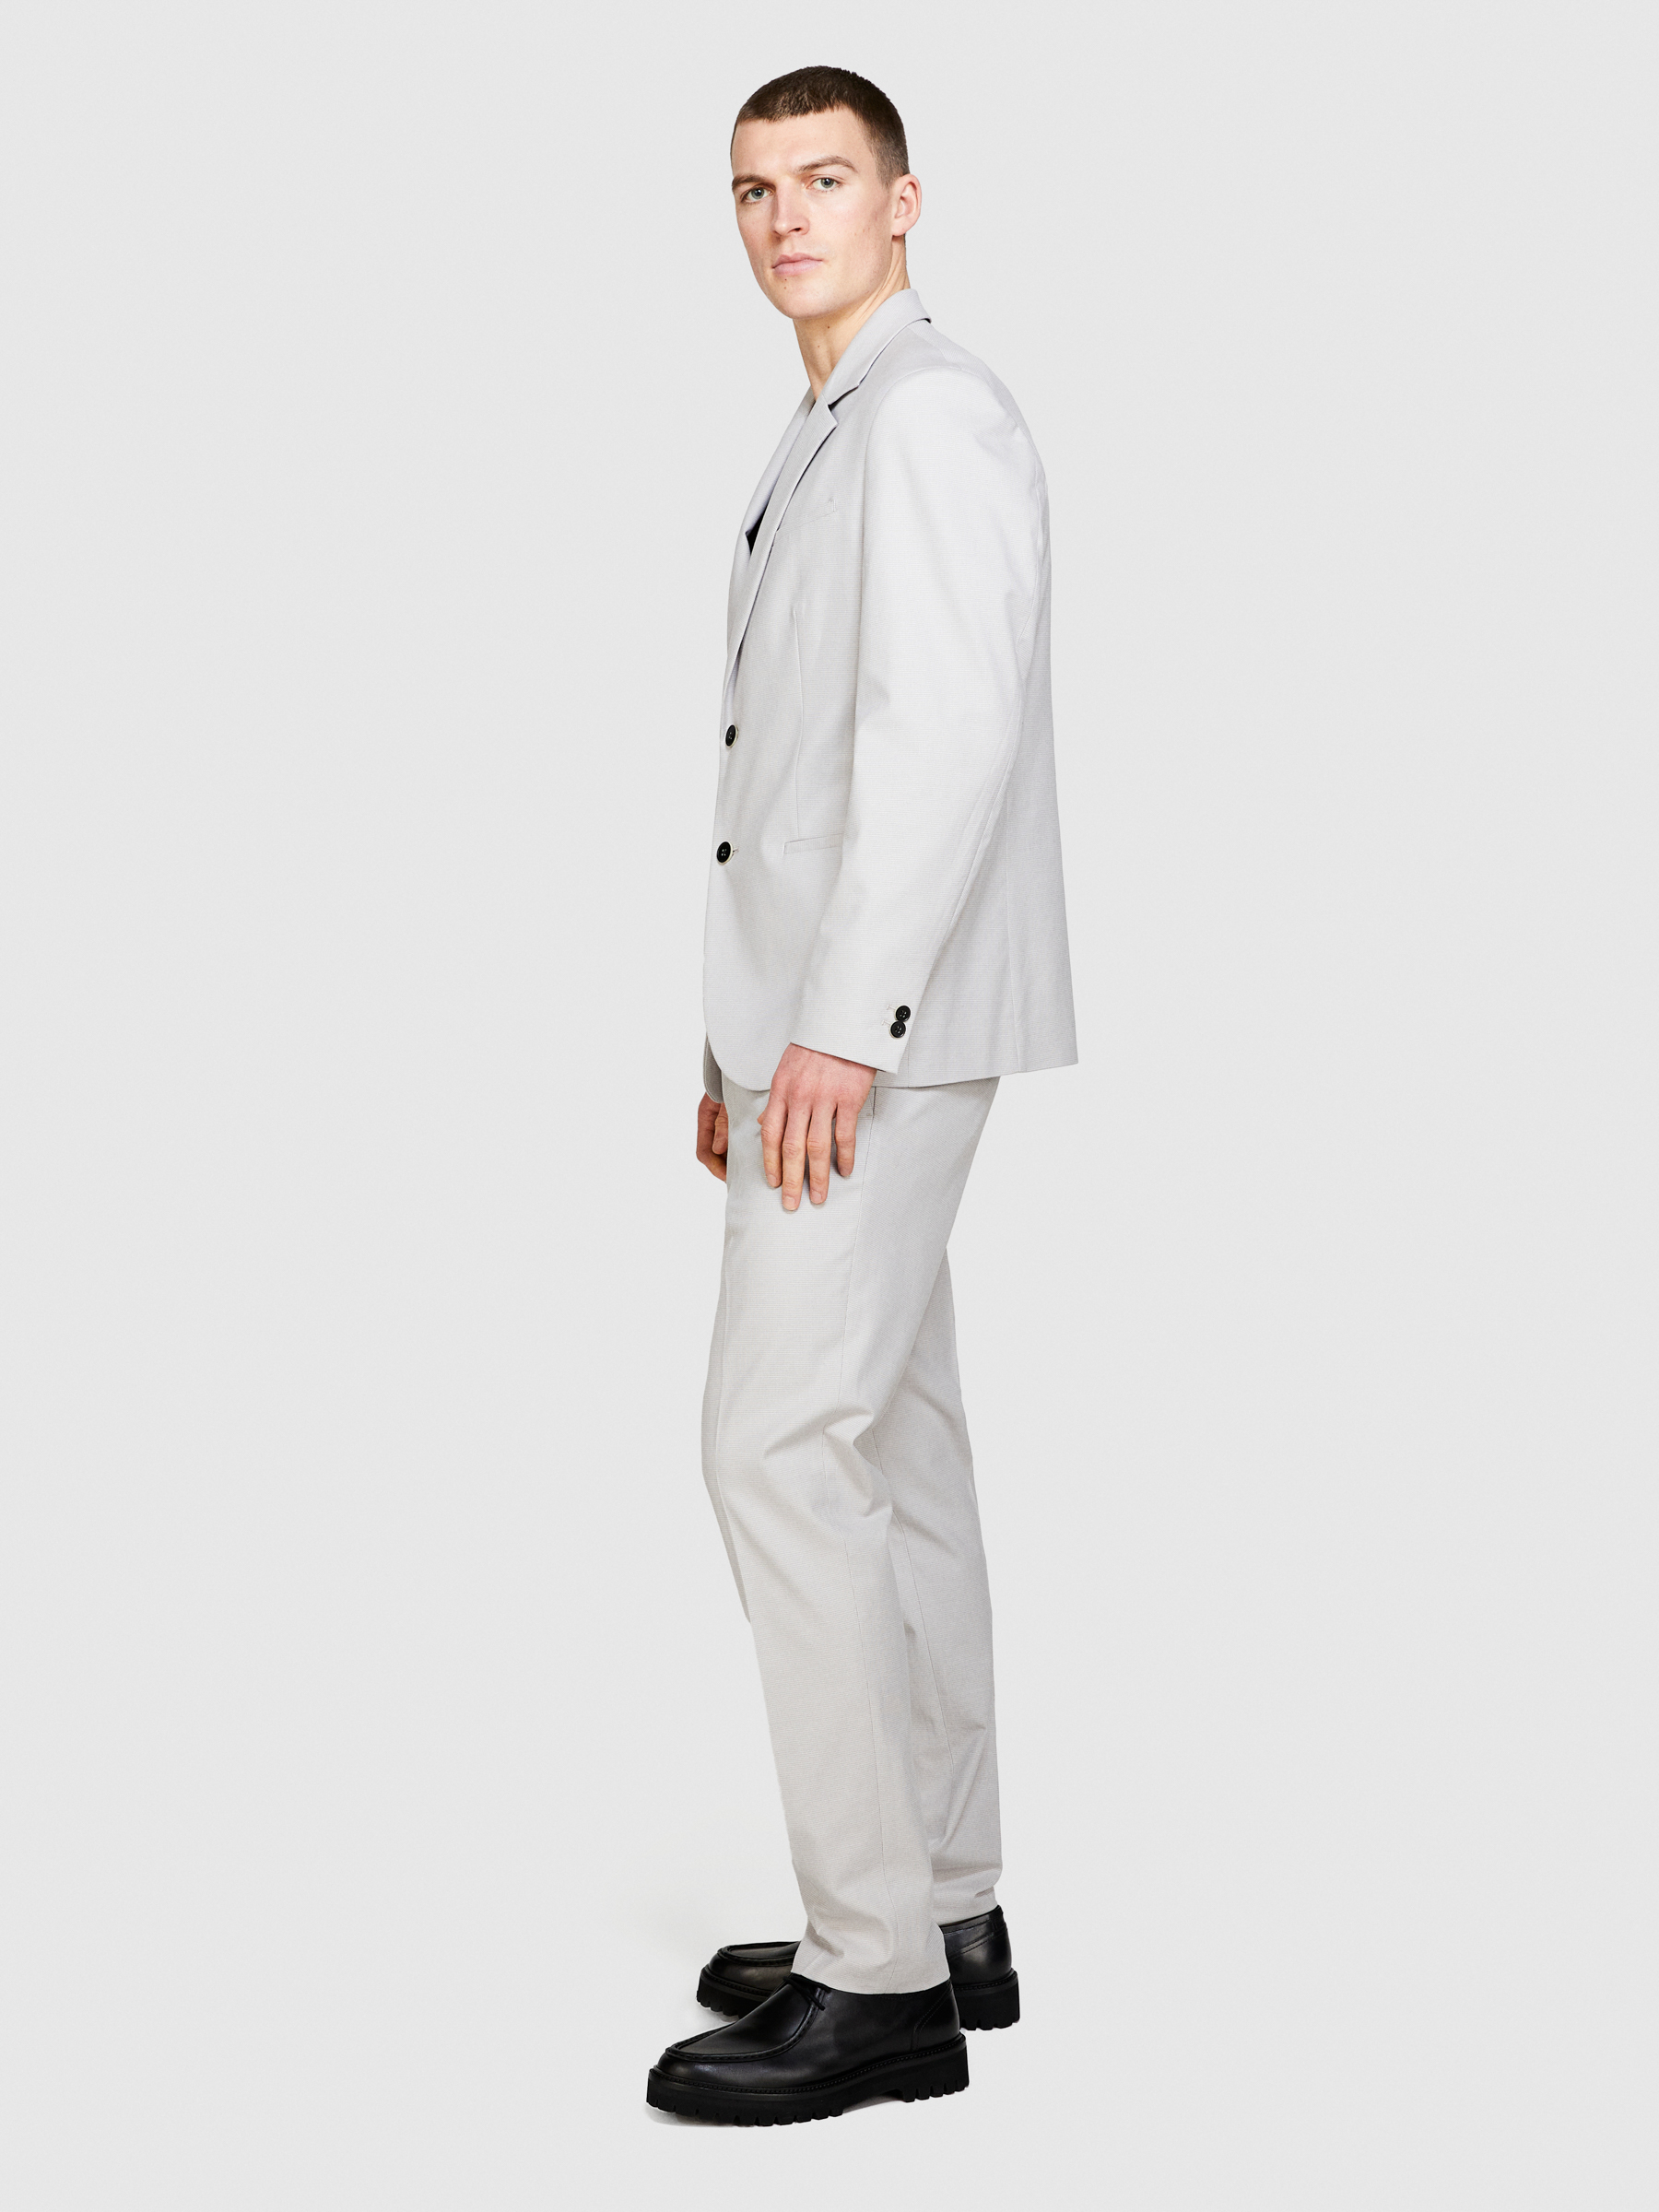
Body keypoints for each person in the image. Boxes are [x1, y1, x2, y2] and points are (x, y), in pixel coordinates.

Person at [646, 64, 1076, 2125]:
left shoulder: (932, 414)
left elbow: (941, 737)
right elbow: (787, 778)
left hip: (877, 1033)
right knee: (890, 1448)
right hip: (822, 1030)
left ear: (905, 200)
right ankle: (949, 1905)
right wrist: (736, 1041)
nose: (785, 216)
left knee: (773, 1446)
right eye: (755, 188)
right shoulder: (831, 424)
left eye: (824, 179)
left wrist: (838, 1029)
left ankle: (875, 1973)